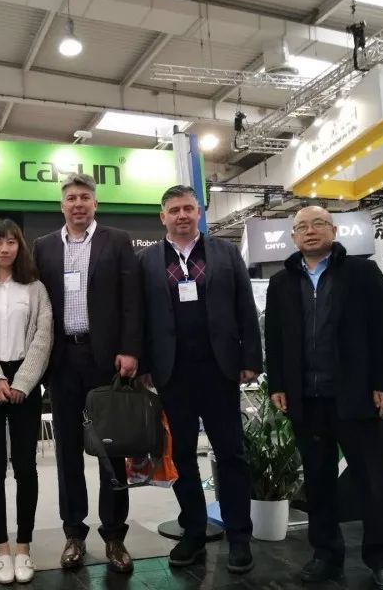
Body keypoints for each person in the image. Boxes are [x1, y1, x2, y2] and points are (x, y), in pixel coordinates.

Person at [264, 206, 383, 590]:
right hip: (306, 399)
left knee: (371, 482)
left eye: (318, 224)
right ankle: (326, 554)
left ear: (334, 230)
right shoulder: (281, 283)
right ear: (293, 236)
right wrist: (278, 384)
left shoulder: (362, 273)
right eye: (302, 226)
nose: (310, 231)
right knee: (318, 483)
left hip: (354, 395)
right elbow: (274, 339)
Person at [138, 185, 261, 574]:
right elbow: (139, 316)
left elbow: (245, 307)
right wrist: (143, 364)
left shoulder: (225, 253)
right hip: (172, 372)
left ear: (199, 213)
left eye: (188, 208)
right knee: (182, 456)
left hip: (220, 369)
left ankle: (239, 536)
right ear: (163, 217)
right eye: (174, 209)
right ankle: (193, 531)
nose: (182, 215)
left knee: (231, 454)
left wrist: (250, 358)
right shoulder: (147, 260)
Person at [32, 172, 141, 574]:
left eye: (84, 197)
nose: (77, 204)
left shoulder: (117, 240)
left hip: (106, 361)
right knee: (67, 452)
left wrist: (130, 349)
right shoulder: (44, 247)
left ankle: (114, 535)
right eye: (71, 198)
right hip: (62, 360)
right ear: (61, 206)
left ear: (95, 203)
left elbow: (132, 300)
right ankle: (74, 534)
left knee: (113, 449)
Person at [0, 219, 53, 585]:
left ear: (20, 246)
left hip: (25, 383)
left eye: (11, 242)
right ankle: (1, 549)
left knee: (25, 468)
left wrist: (22, 382)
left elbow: (43, 336)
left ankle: (23, 547)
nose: (4, 249)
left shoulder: (35, 288)